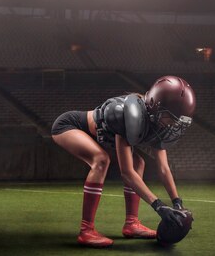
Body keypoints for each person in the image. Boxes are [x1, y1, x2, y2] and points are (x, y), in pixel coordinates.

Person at [51, 75, 196, 247]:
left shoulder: (157, 120)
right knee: (101, 160)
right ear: (156, 107)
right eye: (171, 117)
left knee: (138, 163)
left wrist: (177, 203)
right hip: (69, 126)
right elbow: (126, 173)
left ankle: (131, 223)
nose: (173, 124)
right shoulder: (126, 114)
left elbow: (163, 168)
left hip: (100, 138)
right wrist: (159, 206)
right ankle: (86, 230)